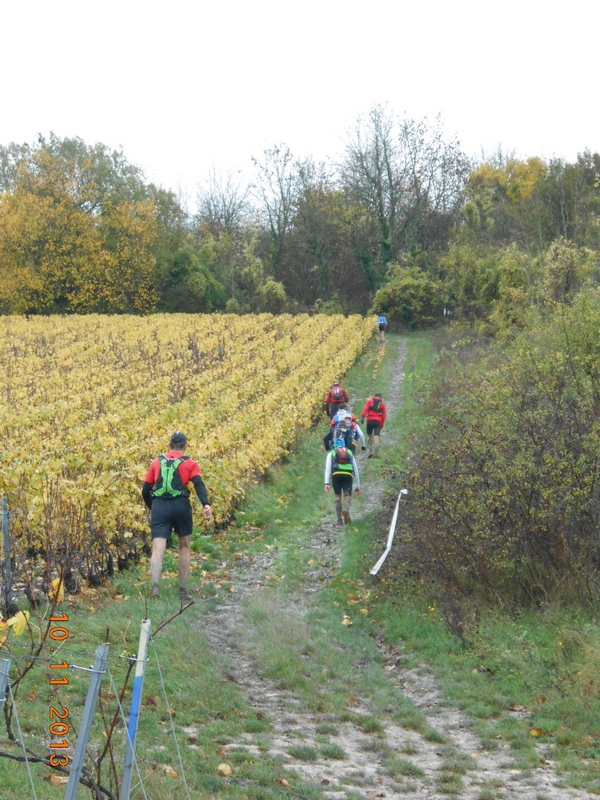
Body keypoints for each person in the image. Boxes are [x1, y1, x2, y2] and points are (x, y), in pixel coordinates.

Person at [141, 432, 213, 601]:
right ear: (185, 446)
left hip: (160, 506)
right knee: (184, 547)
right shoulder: (190, 463)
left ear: (169, 445)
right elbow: (198, 485)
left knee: (158, 548)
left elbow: (145, 491)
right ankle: (182, 590)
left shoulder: (156, 462)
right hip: (181, 506)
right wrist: (206, 504)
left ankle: (155, 588)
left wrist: (154, 507)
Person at [324, 437, 360, 525]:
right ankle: (346, 509)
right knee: (347, 495)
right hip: (348, 474)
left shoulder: (331, 453)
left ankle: (339, 520)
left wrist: (326, 483)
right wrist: (357, 485)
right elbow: (355, 469)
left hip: (336, 475)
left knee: (337, 496)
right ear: (344, 444)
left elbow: (328, 469)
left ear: (335, 445)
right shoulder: (349, 452)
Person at [361, 393, 387, 458]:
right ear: (380, 398)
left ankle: (370, 450)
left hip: (370, 421)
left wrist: (362, 417)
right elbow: (383, 417)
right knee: (376, 436)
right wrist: (381, 425)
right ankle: (376, 446)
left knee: (369, 435)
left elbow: (365, 409)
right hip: (377, 422)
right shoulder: (382, 405)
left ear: (374, 396)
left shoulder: (370, 401)